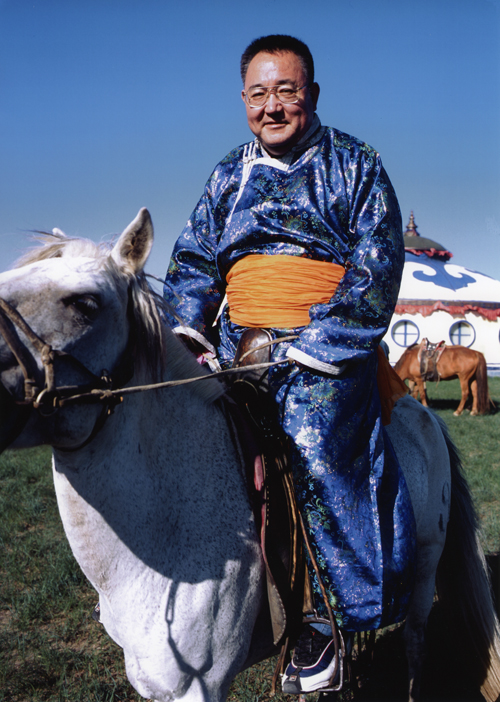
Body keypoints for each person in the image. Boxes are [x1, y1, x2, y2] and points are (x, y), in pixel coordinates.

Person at [163, 34, 415, 695]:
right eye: (258, 93)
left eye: (286, 91)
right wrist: (189, 335)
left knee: (311, 432)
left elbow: (377, 264)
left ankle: (329, 616)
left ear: (312, 94)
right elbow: (193, 260)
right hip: (235, 339)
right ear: (243, 99)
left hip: (321, 343)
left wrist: (315, 343)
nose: (272, 107)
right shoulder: (228, 174)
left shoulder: (357, 165)